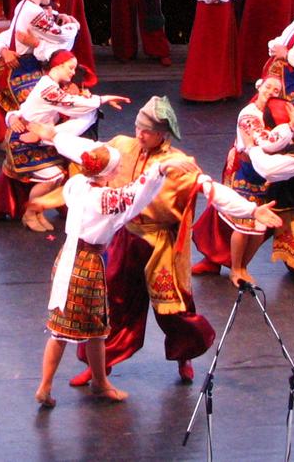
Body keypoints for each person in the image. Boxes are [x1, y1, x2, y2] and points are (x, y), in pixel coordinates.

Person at [66, 97, 280, 389]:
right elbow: (85, 153)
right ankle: (99, 367)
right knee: (113, 303)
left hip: (162, 243)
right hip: (126, 237)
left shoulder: (178, 164)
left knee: (174, 309)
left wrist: (252, 210)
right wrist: (43, 130)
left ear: (163, 134)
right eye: (138, 128)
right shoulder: (120, 145)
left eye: (148, 131)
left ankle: (185, 355)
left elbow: (212, 190)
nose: (140, 134)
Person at [32, 142, 182, 408]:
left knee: (94, 328)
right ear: (107, 173)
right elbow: (136, 193)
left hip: (70, 255)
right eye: (117, 167)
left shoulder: (77, 183)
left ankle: (96, 382)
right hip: (85, 264)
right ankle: (50, 386)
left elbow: (84, 154)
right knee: (68, 330)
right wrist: (161, 167)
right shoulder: (104, 199)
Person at [192, 93, 294, 286]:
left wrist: (252, 148)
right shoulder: (273, 135)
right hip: (272, 201)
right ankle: (220, 263)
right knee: (236, 222)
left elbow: (269, 169)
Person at [5, 50, 130, 232]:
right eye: (70, 68)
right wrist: (102, 99)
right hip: (23, 140)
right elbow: (69, 103)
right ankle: (30, 213)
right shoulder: (47, 88)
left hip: (38, 136)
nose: (72, 73)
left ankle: (38, 212)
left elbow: (71, 104)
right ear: (58, 65)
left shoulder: (52, 86)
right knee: (53, 177)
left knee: (58, 176)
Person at [0, 0, 78, 156]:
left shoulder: (23, 5)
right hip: (16, 69)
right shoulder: (35, 13)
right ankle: (31, 144)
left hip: (19, 66)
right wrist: (73, 25)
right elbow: (60, 37)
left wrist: (52, 23)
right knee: (40, 99)